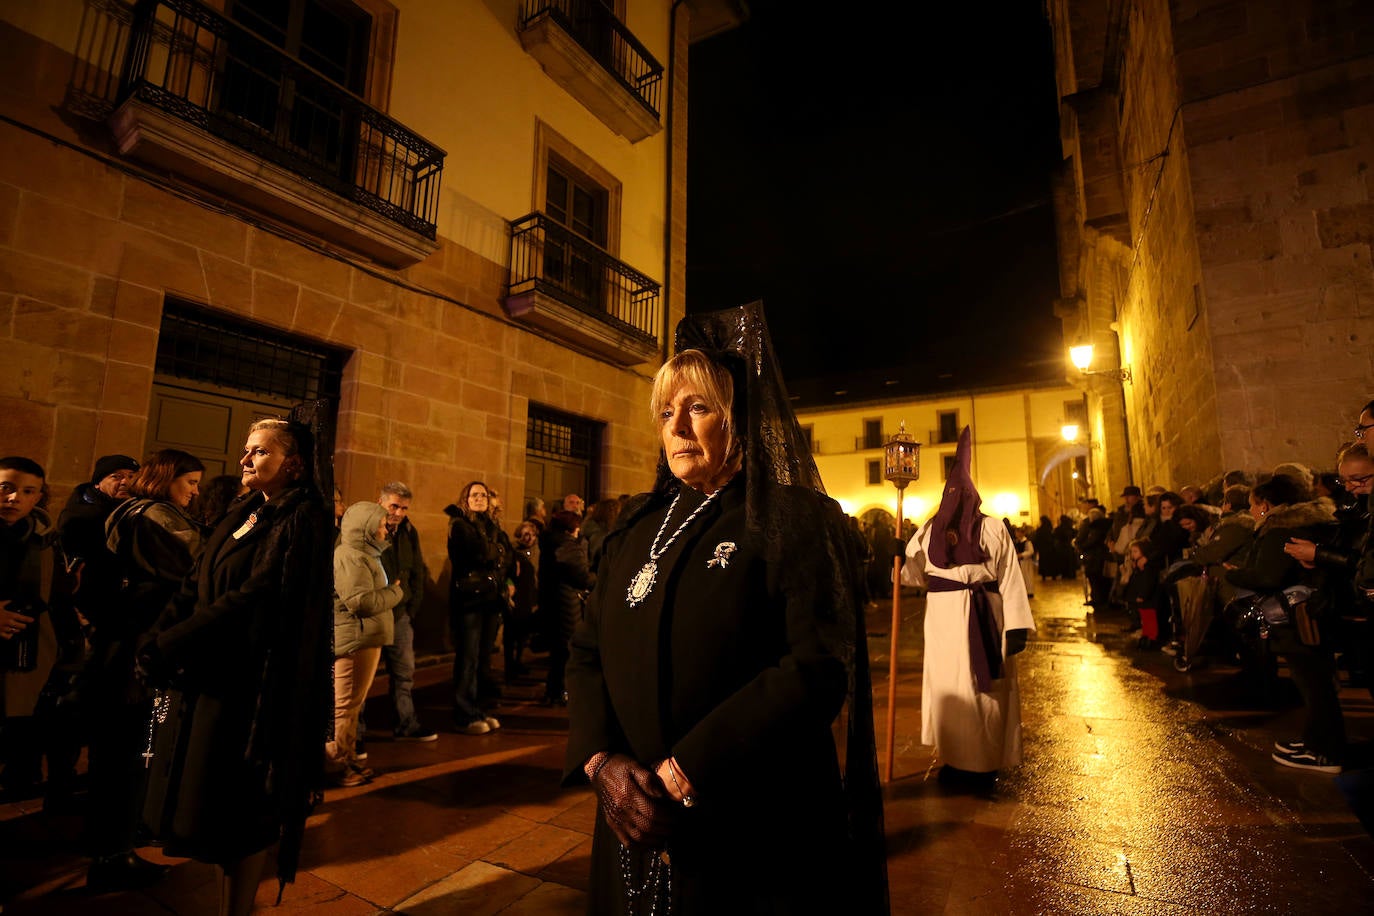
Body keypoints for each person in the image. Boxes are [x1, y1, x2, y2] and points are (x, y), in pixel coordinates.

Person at [564, 304, 887, 914]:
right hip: (629, 820)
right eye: (667, 412)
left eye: (699, 408)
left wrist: (684, 770)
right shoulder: (633, 527)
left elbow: (815, 667)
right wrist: (602, 762)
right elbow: (586, 655)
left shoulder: (793, 520)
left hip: (750, 829)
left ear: (739, 419)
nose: (679, 426)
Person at [137, 409, 334, 915]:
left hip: (251, 683)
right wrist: (161, 633)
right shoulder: (246, 509)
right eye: (247, 448)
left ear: (294, 465)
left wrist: (175, 640)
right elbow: (196, 578)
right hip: (209, 670)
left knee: (242, 808)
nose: (246, 458)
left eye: (261, 450)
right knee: (208, 804)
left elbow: (258, 592)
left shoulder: (301, 516)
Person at [86, 449, 206, 891]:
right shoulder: (153, 516)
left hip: (133, 647)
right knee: (128, 751)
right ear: (165, 478)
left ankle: (115, 842)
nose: (195, 492)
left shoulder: (138, 513)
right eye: (189, 481)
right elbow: (201, 563)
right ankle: (112, 854)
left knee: (128, 749)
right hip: (137, 650)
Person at [901, 427, 1035, 781]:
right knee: (949, 685)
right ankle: (954, 757)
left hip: (983, 616)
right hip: (944, 618)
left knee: (982, 687)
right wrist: (899, 554)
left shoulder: (988, 528)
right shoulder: (929, 531)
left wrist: (1018, 624)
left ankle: (984, 762)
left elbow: (1009, 574)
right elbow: (913, 576)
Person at [1225, 475, 1340, 772]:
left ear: (1264, 504)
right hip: (1313, 611)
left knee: (1313, 684)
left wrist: (1234, 574)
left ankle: (1324, 751)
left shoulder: (1279, 531)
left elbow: (1268, 576)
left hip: (1298, 616)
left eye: (1252, 505)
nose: (1251, 511)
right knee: (1314, 682)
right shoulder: (1307, 522)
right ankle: (1316, 740)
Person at [328, 501, 402, 787]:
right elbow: (361, 601)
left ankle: (345, 760)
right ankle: (335, 766)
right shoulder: (350, 556)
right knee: (344, 705)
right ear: (367, 527)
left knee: (352, 705)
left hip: (364, 638)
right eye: (382, 525)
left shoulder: (365, 555)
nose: (386, 530)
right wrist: (395, 593)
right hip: (355, 640)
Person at [0, 457, 56, 802]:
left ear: (38, 497)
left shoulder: (43, 539)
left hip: (27, 658)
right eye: (6, 488)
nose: (14, 498)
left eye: (27, 491)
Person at [444, 481, 512, 735]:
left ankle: (478, 709)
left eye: (483, 494)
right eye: (475, 495)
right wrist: (495, 551)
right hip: (470, 600)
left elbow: (505, 555)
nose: (480, 498)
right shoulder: (459, 524)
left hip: (490, 598)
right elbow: (479, 553)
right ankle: (464, 713)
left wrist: (496, 553)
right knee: (468, 658)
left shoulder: (489, 525)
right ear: (466, 499)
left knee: (483, 657)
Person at [371, 482, 435, 743]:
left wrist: (412, 604)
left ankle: (406, 722)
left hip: (400, 614)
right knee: (363, 677)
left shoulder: (409, 531)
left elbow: (416, 569)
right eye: (394, 506)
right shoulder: (368, 529)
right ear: (381, 502)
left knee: (404, 673)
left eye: (404, 508)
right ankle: (356, 732)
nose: (398, 512)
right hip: (373, 613)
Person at [539, 510, 595, 707]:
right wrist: (598, 579)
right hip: (566, 602)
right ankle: (560, 691)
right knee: (565, 651)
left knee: (558, 652)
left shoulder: (551, 541)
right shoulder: (567, 545)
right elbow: (580, 575)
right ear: (572, 527)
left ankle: (554, 691)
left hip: (555, 600)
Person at [506, 520, 540, 682]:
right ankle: (509, 664)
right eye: (526, 534)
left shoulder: (537, 551)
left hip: (529, 594)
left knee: (524, 632)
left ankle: (519, 660)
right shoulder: (512, 550)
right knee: (511, 632)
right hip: (516, 594)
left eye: (532, 535)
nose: (529, 538)